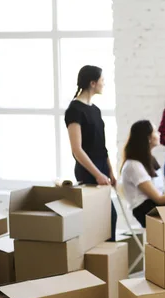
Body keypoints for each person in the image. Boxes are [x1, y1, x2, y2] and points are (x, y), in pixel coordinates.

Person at [64, 65, 117, 241]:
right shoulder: (74, 110)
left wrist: (110, 171)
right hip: (88, 171)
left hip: (101, 168)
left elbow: (102, 146)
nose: (104, 83)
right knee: (100, 218)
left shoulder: (95, 110)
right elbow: (77, 149)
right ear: (93, 83)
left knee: (109, 217)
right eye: (102, 80)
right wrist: (98, 174)